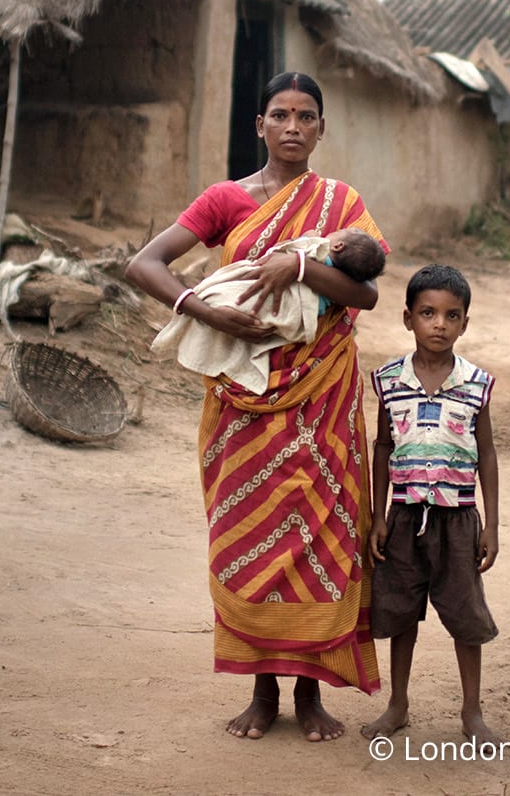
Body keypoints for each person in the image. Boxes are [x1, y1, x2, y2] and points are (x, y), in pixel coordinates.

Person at [126, 71, 384, 742]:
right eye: (280, 114)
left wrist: (299, 269)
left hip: (321, 397)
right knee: (249, 540)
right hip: (242, 404)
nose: (293, 126)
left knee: (319, 540)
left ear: (322, 128)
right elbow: (145, 264)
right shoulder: (225, 199)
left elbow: (366, 297)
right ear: (260, 125)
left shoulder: (341, 203)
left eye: (306, 116)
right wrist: (205, 311)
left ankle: (309, 695)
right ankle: (262, 690)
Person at [360, 264, 501, 743]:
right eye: (427, 313)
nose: (438, 324)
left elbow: (487, 454)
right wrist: (378, 516)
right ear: (407, 319)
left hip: (458, 519)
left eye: (451, 315)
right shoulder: (388, 380)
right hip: (402, 517)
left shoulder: (476, 384)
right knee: (400, 612)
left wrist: (492, 526)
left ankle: (472, 711)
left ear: (465, 322)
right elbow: (382, 448)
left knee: (465, 615)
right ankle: (397, 704)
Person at [149, 227, 385, 395]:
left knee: (228, 295)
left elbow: (367, 295)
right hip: (296, 324)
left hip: (284, 311)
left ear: (338, 245)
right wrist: (208, 315)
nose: (330, 232)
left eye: (337, 232)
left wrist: (300, 259)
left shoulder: (322, 248)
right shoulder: (337, 277)